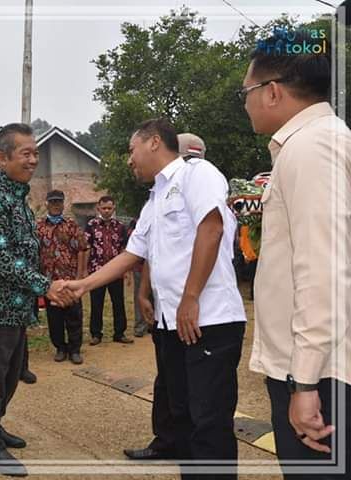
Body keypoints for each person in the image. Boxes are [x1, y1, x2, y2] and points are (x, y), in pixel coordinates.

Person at [64, 118, 247, 479]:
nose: (129, 160)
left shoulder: (197, 174)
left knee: (208, 422)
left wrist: (191, 297)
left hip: (209, 320)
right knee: (182, 417)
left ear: (152, 143)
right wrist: (84, 284)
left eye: (131, 150)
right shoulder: (154, 200)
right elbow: (132, 254)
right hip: (172, 324)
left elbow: (211, 229)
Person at [242, 32, 351, 479]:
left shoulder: (310, 148)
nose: (244, 104)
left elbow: (324, 269)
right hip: (318, 363)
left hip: (320, 372)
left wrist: (304, 382)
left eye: (245, 93)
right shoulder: (318, 141)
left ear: (272, 91)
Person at [0, 122, 74, 477]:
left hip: (11, 306)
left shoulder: (17, 197)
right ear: (2, 158)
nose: (34, 159)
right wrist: (45, 286)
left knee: (7, 378)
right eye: (27, 153)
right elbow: (0, 257)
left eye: (36, 153)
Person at [124, 131, 209, 460]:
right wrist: (145, 292)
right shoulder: (157, 196)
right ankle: (166, 441)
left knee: (197, 392)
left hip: (197, 310)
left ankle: (188, 447)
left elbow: (209, 240)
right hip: (166, 309)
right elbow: (150, 252)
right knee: (168, 380)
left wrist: (191, 297)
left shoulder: (202, 188)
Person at [37, 189, 89, 364]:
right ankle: (60, 347)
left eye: (59, 202)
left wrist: (80, 275)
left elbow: (82, 249)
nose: (56, 205)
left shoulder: (71, 225)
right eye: (52, 202)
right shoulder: (39, 226)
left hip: (70, 279)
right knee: (54, 317)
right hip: (50, 280)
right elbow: (36, 251)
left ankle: (75, 349)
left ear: (63, 203)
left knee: (74, 315)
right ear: (47, 204)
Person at [85, 196, 133, 345]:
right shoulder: (91, 225)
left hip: (116, 271)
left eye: (109, 208)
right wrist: (84, 271)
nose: (106, 211)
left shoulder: (120, 226)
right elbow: (86, 247)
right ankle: (96, 334)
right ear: (98, 208)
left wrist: (127, 271)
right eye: (103, 208)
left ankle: (119, 333)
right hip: (96, 270)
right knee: (96, 303)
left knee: (118, 302)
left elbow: (125, 249)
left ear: (114, 209)